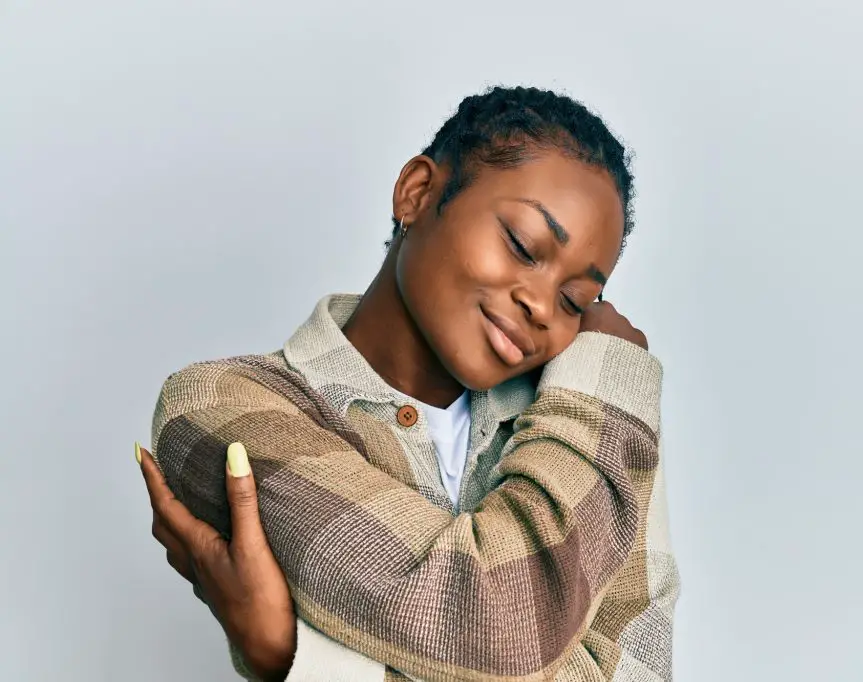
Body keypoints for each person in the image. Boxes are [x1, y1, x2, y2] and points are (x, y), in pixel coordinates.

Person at [137, 85, 680, 681]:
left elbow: (639, 672)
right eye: (524, 246)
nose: (542, 306)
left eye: (576, 299)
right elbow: (498, 622)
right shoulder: (224, 405)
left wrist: (294, 657)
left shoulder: (585, 420)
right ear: (417, 193)